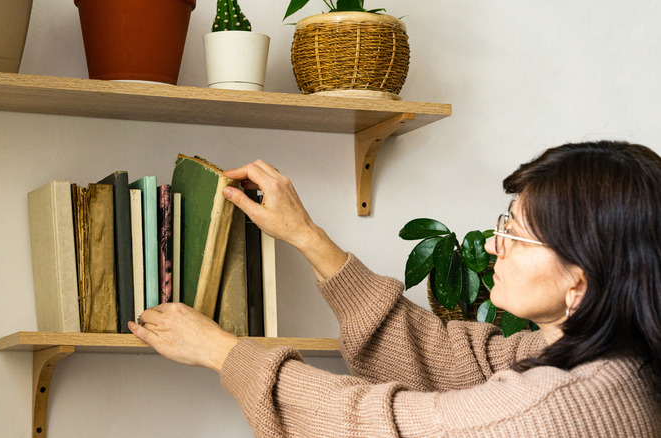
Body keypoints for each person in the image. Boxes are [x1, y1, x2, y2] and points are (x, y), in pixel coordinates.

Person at [128, 140, 661, 436]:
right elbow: (453, 359)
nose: (496, 245)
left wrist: (225, 353)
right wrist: (308, 237)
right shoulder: (613, 363)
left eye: (517, 236)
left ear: (580, 282)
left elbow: (382, 428)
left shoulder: (556, 406)